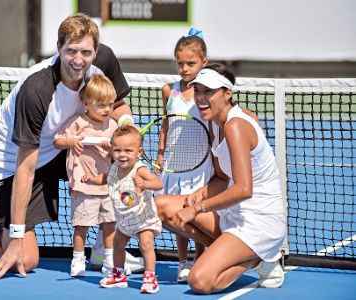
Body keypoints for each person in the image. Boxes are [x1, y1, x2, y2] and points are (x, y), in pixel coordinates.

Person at [0, 13, 142, 280]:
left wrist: (127, 130)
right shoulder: (37, 90)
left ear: (96, 51)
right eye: (71, 51)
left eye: (86, 52)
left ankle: (102, 248)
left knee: (118, 155)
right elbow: (25, 168)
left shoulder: (104, 60)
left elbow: (119, 105)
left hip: (56, 146)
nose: (78, 60)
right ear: (58, 48)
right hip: (7, 163)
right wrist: (16, 237)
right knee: (24, 260)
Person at [155, 63, 286, 294]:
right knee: (160, 207)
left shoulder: (236, 125)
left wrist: (197, 209)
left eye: (209, 91)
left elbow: (244, 190)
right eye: (197, 91)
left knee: (200, 281)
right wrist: (200, 194)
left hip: (258, 222)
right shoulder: (215, 123)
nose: (201, 98)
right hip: (232, 215)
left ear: (228, 93)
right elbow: (222, 177)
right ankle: (227, 253)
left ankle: (258, 260)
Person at [155, 28, 213, 283]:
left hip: (202, 165)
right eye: (180, 63)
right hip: (175, 165)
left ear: (204, 63)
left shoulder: (208, 92)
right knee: (177, 214)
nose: (185, 68)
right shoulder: (169, 90)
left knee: (196, 215)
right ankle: (183, 261)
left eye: (191, 63)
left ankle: (200, 259)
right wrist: (159, 154)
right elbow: (166, 125)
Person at [83, 126, 163, 294]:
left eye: (128, 150)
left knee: (146, 244)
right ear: (111, 150)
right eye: (117, 150)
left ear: (139, 151)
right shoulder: (114, 167)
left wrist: (145, 184)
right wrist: (92, 179)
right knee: (117, 244)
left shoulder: (140, 169)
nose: (122, 155)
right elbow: (105, 178)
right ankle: (118, 274)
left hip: (143, 219)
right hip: (124, 220)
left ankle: (150, 277)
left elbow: (159, 184)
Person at [53, 74, 118, 277]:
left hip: (107, 185)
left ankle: (109, 259)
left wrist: (112, 147)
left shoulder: (113, 126)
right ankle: (78, 259)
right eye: (101, 105)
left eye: (110, 104)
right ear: (87, 103)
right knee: (82, 226)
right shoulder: (77, 123)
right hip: (82, 186)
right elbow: (57, 141)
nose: (107, 109)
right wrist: (71, 142)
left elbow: (121, 154)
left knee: (109, 224)